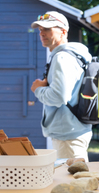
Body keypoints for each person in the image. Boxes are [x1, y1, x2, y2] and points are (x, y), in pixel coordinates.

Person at [30, 11, 93, 161]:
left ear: (63, 31)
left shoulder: (62, 57)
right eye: (40, 30)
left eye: (48, 29)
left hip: (67, 134)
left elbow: (58, 97)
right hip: (73, 130)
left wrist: (37, 89)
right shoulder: (76, 55)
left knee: (73, 182)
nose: (42, 33)